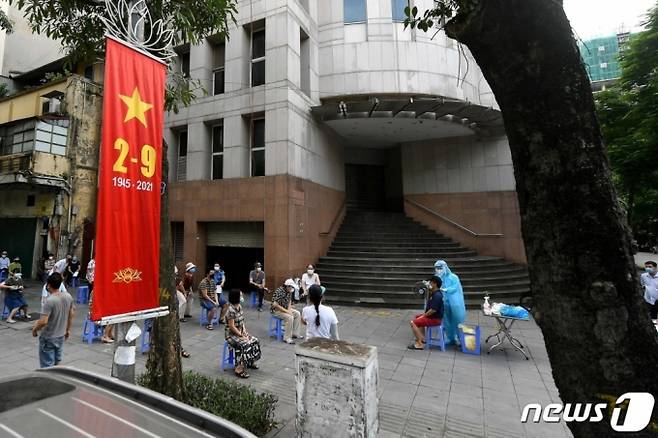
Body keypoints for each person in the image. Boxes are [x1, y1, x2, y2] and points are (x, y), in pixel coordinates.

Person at [32, 272, 75, 368]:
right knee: (57, 362)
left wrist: (35, 329)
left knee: (47, 365)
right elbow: (71, 314)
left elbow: (43, 321)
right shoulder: (68, 296)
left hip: (48, 337)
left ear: (49, 285)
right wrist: (68, 329)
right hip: (60, 335)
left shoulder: (49, 301)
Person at [225, 288, 261, 378]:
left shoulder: (239, 307)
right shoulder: (231, 310)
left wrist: (245, 332)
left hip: (240, 332)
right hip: (231, 335)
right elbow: (232, 327)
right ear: (236, 297)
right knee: (245, 344)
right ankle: (239, 368)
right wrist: (241, 336)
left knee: (255, 341)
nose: (242, 297)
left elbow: (242, 322)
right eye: (240, 295)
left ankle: (250, 361)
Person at [434, 260, 465, 346]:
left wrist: (446, 289)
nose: (438, 270)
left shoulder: (453, 277)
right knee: (446, 321)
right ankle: (450, 338)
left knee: (457, 320)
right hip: (444, 303)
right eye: (436, 268)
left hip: (455, 303)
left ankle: (460, 338)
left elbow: (455, 287)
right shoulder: (437, 278)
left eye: (440, 268)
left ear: (445, 267)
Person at [408, 276, 444, 350]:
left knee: (413, 323)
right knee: (417, 317)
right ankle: (423, 338)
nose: (429, 284)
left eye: (430, 282)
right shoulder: (434, 293)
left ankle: (419, 344)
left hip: (435, 319)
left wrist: (424, 316)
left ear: (435, 284)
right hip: (433, 317)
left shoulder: (437, 295)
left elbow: (433, 310)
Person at [271, 279, 302, 344]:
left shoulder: (289, 291)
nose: (292, 288)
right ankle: (287, 338)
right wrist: (287, 312)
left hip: (285, 308)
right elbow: (275, 305)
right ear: (287, 286)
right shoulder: (280, 291)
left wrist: (289, 309)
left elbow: (289, 301)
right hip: (276, 311)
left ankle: (295, 333)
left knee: (297, 313)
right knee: (289, 317)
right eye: (291, 287)